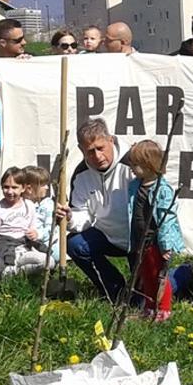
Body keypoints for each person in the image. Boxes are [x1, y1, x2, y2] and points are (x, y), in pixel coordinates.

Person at [60, 118, 135, 299]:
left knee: (147, 298)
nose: (97, 157)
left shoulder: (133, 163)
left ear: (111, 140)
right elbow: (81, 215)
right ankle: (114, 287)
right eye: (90, 151)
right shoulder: (81, 174)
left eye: (100, 148)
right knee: (75, 244)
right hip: (107, 235)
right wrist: (69, 218)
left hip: (139, 240)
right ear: (81, 150)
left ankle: (183, 274)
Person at [125, 140, 186, 320]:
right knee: (145, 274)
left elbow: (167, 218)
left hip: (156, 241)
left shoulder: (162, 190)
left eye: (135, 164)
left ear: (149, 165)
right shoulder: (136, 185)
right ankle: (150, 307)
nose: (131, 168)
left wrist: (166, 245)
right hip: (140, 239)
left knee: (159, 275)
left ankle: (163, 309)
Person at [0, 167, 48, 285]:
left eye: (14, 187)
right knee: (5, 272)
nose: (10, 192)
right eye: (6, 187)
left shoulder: (29, 205)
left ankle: (16, 272)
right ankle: (7, 272)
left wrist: (35, 234)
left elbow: (33, 229)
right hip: (4, 250)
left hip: (23, 248)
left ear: (23, 188)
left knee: (48, 261)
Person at [20, 165, 58, 263]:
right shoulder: (19, 205)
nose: (46, 187)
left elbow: (50, 228)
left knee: (54, 256)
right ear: (29, 188)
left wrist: (38, 234)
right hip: (24, 243)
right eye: (43, 185)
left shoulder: (48, 205)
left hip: (47, 243)